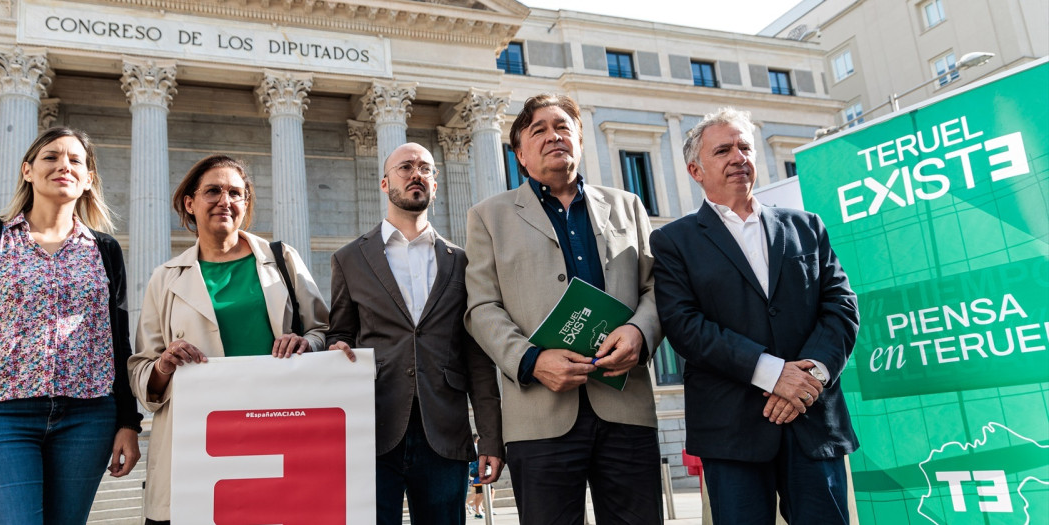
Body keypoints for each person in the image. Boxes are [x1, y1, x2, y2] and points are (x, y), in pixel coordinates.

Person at [649, 107, 859, 525]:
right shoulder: (673, 241)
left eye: (744, 147)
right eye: (723, 150)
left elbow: (841, 306)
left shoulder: (807, 226)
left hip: (811, 419)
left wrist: (810, 377)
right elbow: (685, 327)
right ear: (696, 169)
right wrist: (771, 372)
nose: (738, 157)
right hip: (732, 431)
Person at [463, 93, 664, 524]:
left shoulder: (628, 206)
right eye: (539, 130)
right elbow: (481, 307)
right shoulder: (488, 217)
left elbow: (657, 288)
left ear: (579, 141)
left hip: (626, 406)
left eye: (563, 127)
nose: (554, 136)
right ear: (519, 152)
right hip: (538, 415)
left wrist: (640, 333)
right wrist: (531, 360)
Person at [0, 126, 143, 524]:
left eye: (75, 160)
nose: (64, 165)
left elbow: (118, 343)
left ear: (88, 179)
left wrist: (128, 422)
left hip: (88, 416)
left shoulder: (105, 250)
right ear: (28, 170)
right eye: (51, 157)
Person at [128, 154, 351, 525]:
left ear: (246, 203)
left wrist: (305, 344)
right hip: (199, 449)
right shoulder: (164, 278)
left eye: (236, 193)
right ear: (190, 202)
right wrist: (164, 364)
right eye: (212, 191)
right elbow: (142, 371)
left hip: (276, 437)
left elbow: (325, 333)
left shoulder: (282, 260)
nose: (224, 201)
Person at [327, 143, 503, 525]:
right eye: (405, 167)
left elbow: (477, 358)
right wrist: (334, 346)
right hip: (372, 429)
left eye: (425, 168)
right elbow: (338, 333)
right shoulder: (349, 259)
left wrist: (490, 437)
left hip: (444, 433)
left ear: (435, 185)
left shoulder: (462, 262)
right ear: (385, 182)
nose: (416, 174)